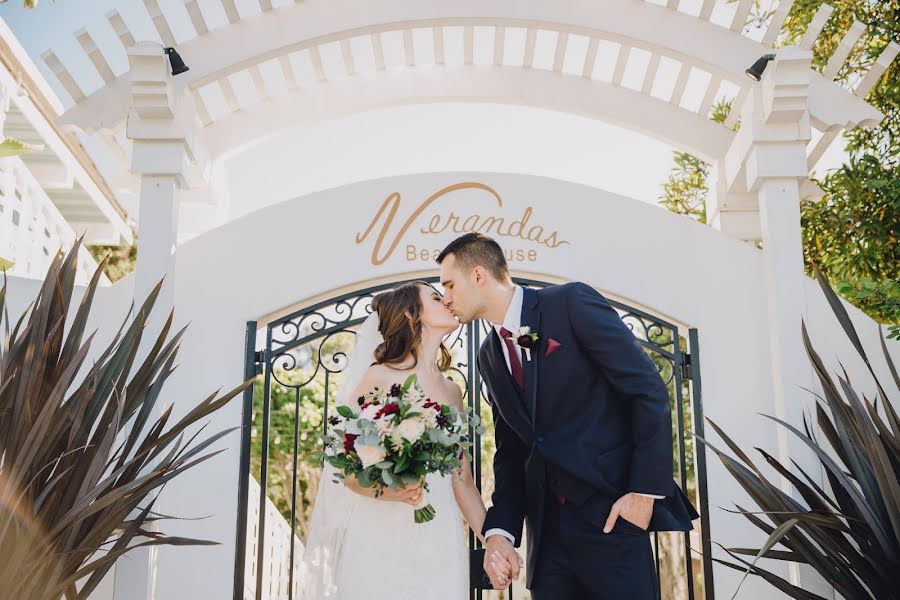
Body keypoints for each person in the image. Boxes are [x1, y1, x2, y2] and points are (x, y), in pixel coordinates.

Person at [437, 233, 699, 599]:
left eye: (449, 285)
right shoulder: (489, 356)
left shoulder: (570, 303)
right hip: (547, 542)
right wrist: (500, 533)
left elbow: (646, 389)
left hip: (613, 521)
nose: (446, 298)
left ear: (478, 275)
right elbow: (512, 451)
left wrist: (643, 493)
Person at [298, 281, 521, 599]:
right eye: (435, 297)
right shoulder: (378, 378)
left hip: (440, 537)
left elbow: (463, 482)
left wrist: (494, 543)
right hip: (379, 535)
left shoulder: (452, 392)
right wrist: (393, 491)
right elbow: (348, 472)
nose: (446, 299)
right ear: (410, 313)